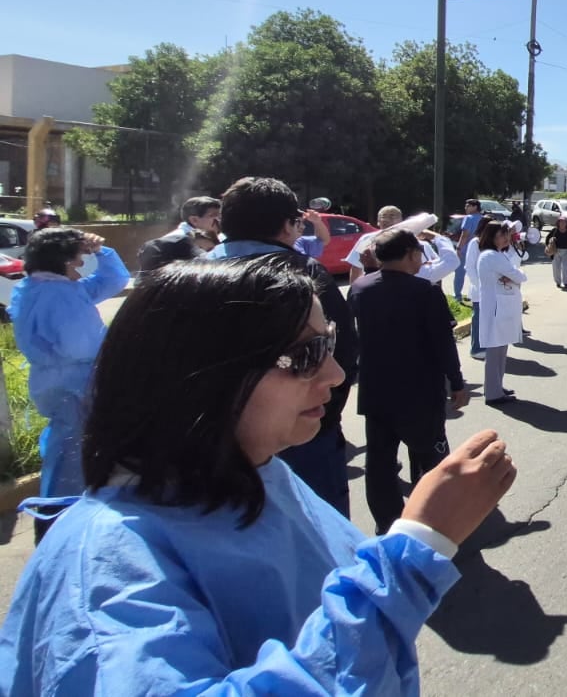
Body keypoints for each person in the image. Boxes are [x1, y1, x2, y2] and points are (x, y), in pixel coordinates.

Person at [0, 256, 516, 694]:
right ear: (202, 374)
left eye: (331, 343)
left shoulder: (260, 471)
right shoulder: (108, 566)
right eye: (307, 354)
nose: (336, 375)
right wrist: (415, 547)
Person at [207, 177, 361, 517]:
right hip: (297, 438)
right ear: (289, 225)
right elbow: (341, 353)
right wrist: (322, 416)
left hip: (207, 439)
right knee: (317, 535)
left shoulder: (186, 273)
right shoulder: (303, 274)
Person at [9, 228, 130, 541]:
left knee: (67, 450)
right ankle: (62, 522)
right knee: (74, 457)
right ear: (64, 258)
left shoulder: (43, 287)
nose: (82, 259)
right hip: (74, 382)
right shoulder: (58, 294)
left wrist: (103, 253)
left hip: (59, 381)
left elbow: (113, 280)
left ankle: (58, 519)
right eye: (78, 253)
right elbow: (78, 344)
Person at [349, 229, 469, 534]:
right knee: (431, 458)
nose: (421, 260)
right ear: (409, 254)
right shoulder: (425, 291)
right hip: (419, 392)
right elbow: (443, 343)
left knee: (380, 464)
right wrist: (456, 382)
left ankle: (386, 523)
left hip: (376, 391)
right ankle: (433, 521)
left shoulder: (360, 288)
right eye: (419, 254)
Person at [345, 206, 458, 288]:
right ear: (378, 222)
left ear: (401, 221)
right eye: (383, 218)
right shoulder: (367, 240)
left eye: (392, 218)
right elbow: (356, 268)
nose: (387, 221)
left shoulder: (419, 243)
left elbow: (437, 265)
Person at [476, 221, 526, 405]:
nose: (506, 238)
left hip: (501, 306)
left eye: (506, 234)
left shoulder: (497, 255)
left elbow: (515, 274)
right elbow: (520, 276)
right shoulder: (491, 256)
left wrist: (513, 275)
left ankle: (497, 386)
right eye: (501, 235)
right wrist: (514, 275)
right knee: (495, 350)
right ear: (491, 237)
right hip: (497, 307)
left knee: (500, 349)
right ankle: (493, 392)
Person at [137, 195, 221, 273]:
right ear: (194, 220)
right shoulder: (174, 243)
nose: (219, 219)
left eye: (220, 215)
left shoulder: (219, 236)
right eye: (213, 215)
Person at [462, 216, 488, 360]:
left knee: (487, 321)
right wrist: (480, 285)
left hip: (491, 290)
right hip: (479, 290)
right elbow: (470, 267)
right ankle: (476, 348)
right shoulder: (475, 243)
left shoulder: (491, 244)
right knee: (478, 320)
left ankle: (486, 346)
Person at [454, 198, 484, 301]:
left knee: (459, 274)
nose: (465, 208)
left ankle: (457, 296)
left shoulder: (468, 218)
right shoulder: (483, 218)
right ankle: (476, 294)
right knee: (476, 273)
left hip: (466, 250)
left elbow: (464, 235)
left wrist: (458, 248)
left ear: (475, 207)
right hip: (479, 249)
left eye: (468, 206)